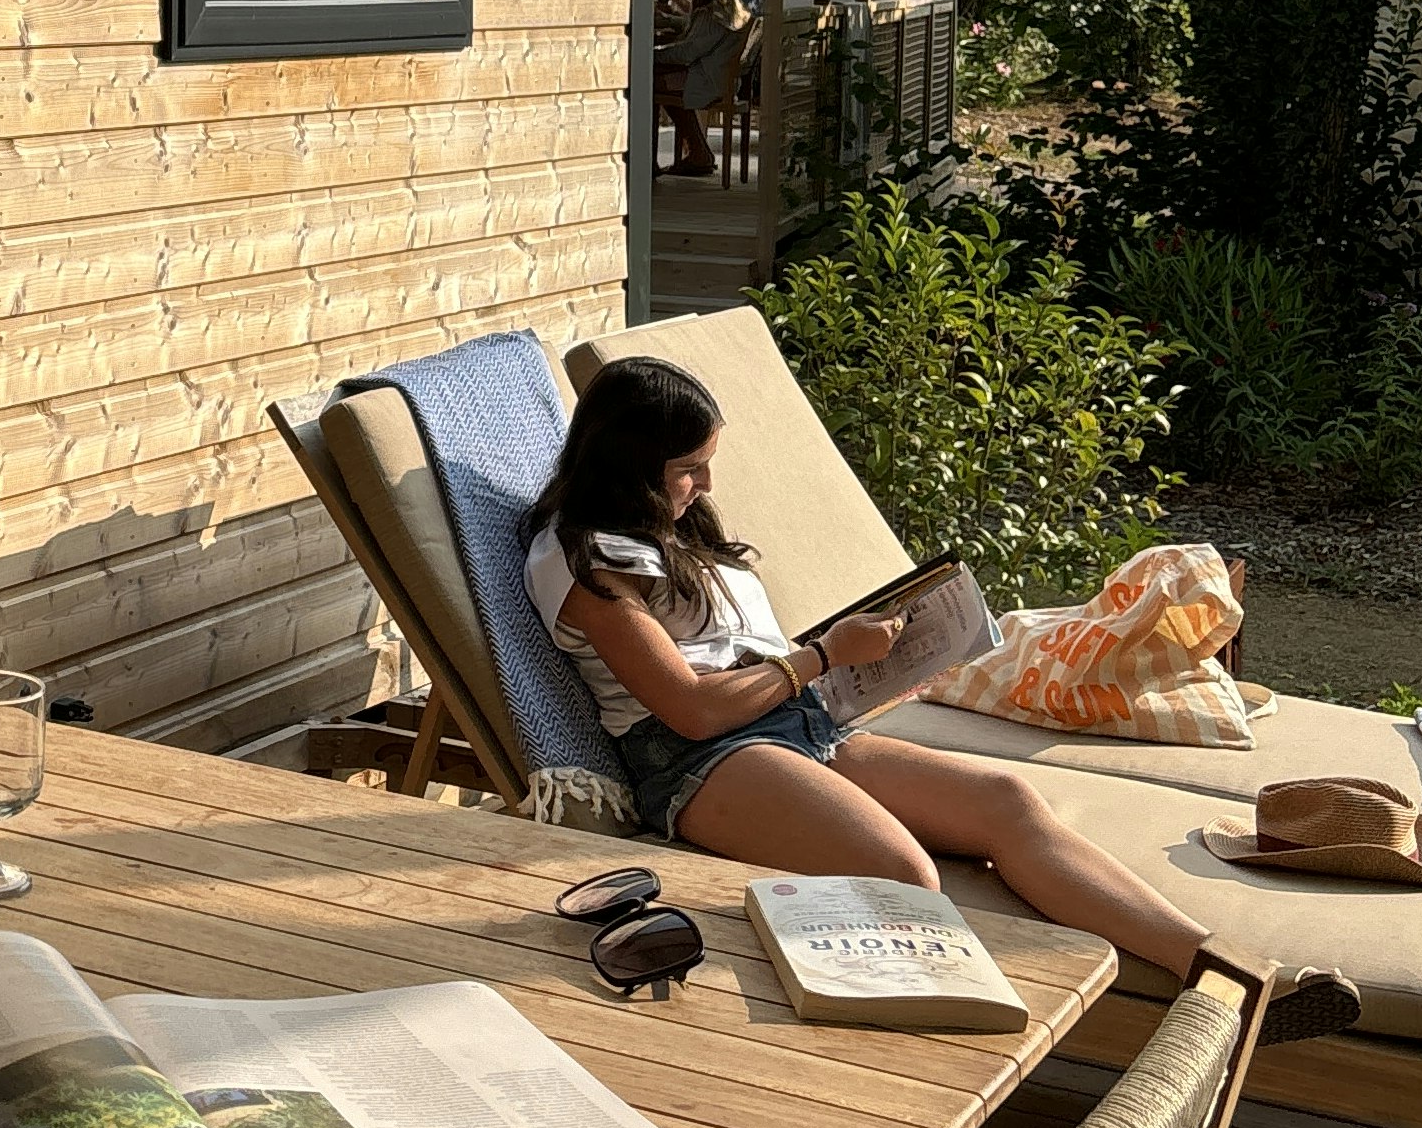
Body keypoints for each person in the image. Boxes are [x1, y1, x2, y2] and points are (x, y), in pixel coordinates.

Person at [521, 355, 1362, 1045]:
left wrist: (864, 661)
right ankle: (987, 1045)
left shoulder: (665, 528)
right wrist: (820, 656)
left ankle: (1231, 977)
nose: (704, 484)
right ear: (630, 466)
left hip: (795, 723)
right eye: (687, 470)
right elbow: (692, 709)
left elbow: (745, 660)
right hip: (702, 759)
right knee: (901, 873)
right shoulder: (583, 562)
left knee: (1008, 803)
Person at [651, 0, 748, 177]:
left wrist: (652, 55)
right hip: (720, 78)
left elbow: (687, 52)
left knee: (650, 82)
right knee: (662, 81)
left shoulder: (710, 13)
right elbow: (697, 32)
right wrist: (670, 20)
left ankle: (649, 160)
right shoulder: (728, 8)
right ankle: (698, 151)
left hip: (705, 81)